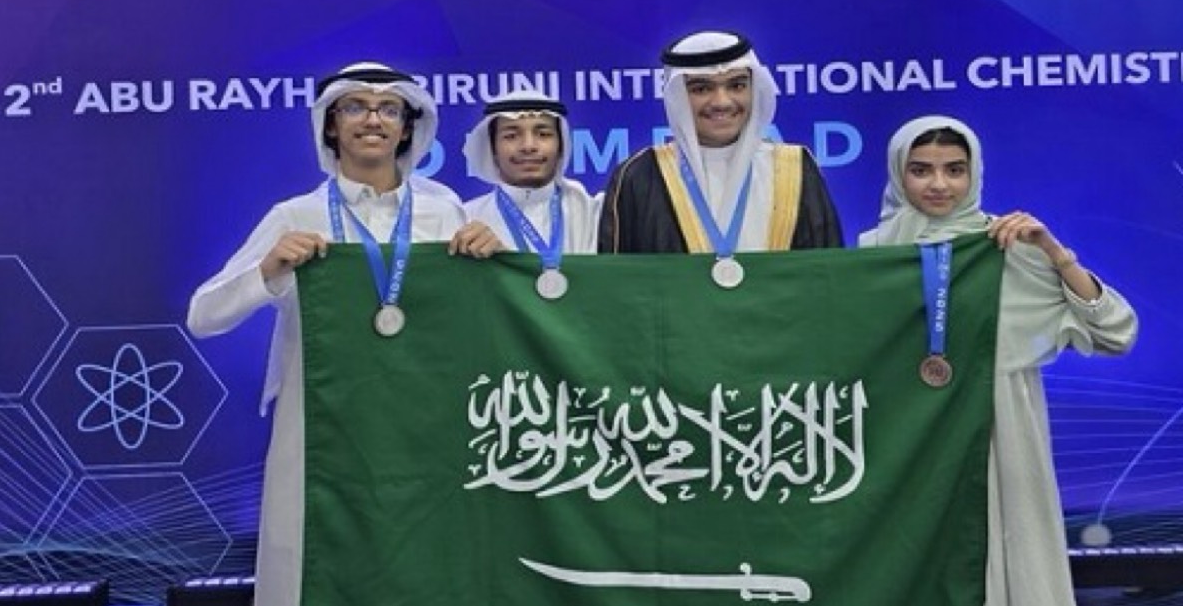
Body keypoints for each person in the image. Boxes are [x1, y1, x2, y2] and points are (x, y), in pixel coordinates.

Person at [186, 61, 500, 606]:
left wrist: (492, 259)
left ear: (407, 127)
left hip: (425, 427)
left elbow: (480, 319)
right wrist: (268, 270)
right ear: (331, 125)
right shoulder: (296, 214)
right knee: (311, 565)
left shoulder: (443, 210)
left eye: (388, 109)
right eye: (355, 107)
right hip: (320, 427)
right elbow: (203, 316)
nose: (372, 120)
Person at [858, 115, 1138, 606]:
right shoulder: (872, 254)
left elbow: (1116, 333)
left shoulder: (1008, 244)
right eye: (921, 170)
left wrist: (1054, 253)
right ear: (898, 173)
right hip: (908, 435)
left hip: (999, 428)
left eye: (955, 169)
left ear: (974, 174)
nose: (939, 184)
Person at [598, 30, 843, 264]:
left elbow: (828, 272)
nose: (722, 102)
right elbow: (619, 281)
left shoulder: (795, 167)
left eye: (737, 86)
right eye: (702, 89)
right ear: (677, 97)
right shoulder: (640, 175)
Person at [461, 89, 602, 256]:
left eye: (543, 134)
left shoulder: (594, 214)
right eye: (511, 136)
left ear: (561, 147)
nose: (528, 146)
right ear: (493, 150)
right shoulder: (467, 220)